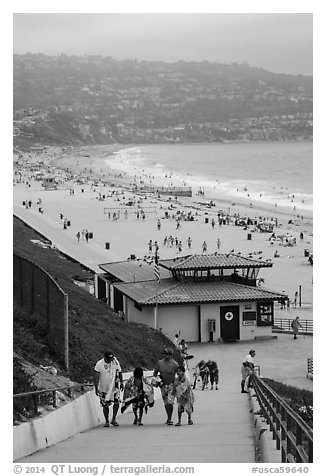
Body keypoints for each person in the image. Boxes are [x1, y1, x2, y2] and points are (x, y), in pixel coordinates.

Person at [94, 350, 124, 427]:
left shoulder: (115, 362)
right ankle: (107, 421)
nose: (110, 360)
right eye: (108, 359)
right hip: (104, 388)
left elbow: (119, 372)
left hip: (115, 386)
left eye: (111, 358)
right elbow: (96, 376)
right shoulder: (99, 364)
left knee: (116, 402)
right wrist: (96, 387)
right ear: (104, 357)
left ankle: (113, 419)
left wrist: (122, 383)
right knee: (105, 405)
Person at [153, 348, 179, 425]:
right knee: (166, 403)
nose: (165, 355)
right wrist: (157, 380)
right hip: (163, 385)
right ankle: (168, 417)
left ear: (170, 355)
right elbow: (155, 373)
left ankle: (170, 418)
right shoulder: (159, 363)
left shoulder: (174, 364)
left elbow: (179, 373)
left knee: (170, 402)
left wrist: (178, 383)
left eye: (167, 354)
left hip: (172, 385)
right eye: (164, 354)